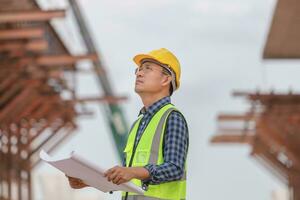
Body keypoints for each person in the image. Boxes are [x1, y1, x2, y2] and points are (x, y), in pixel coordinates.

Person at [67, 48, 189, 200]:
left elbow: (174, 169)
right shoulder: (138, 123)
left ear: (166, 79)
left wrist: (132, 172)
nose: (139, 73)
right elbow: (129, 178)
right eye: (138, 69)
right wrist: (88, 181)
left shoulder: (172, 118)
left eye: (147, 69)